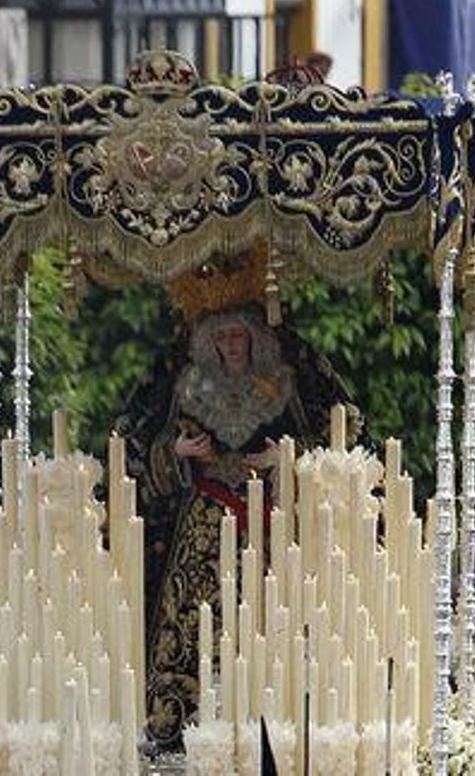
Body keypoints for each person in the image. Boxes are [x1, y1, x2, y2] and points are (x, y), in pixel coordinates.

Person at [112, 245, 353, 746]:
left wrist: (286, 457)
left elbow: (341, 428)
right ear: (209, 344)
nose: (231, 346)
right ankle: (183, 718)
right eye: (221, 338)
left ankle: (279, 715)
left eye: (238, 335)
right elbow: (131, 441)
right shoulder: (185, 384)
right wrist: (176, 451)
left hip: (271, 520)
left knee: (277, 616)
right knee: (194, 620)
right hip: (203, 522)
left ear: (253, 337)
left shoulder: (285, 380)